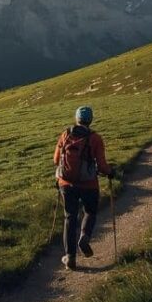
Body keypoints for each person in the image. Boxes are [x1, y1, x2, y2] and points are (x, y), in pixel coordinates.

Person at [53, 106, 113, 270]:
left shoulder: (66, 134)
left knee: (70, 217)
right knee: (90, 212)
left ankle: (70, 257)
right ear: (90, 120)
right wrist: (110, 172)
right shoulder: (95, 138)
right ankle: (85, 237)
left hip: (66, 184)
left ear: (77, 119)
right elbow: (101, 166)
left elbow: (55, 159)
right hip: (89, 184)